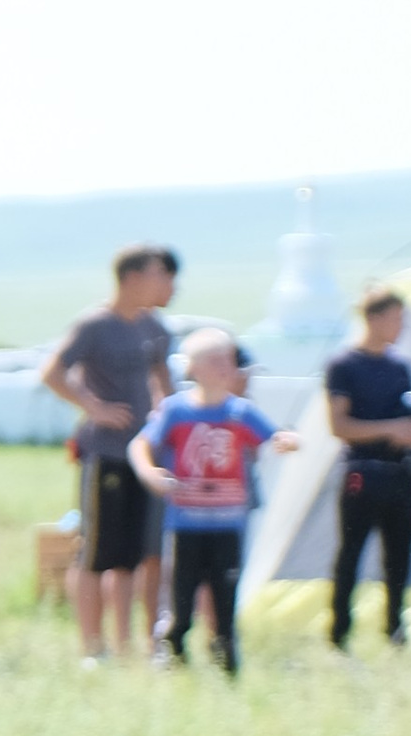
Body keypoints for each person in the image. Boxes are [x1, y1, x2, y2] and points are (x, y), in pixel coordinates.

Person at [131, 329, 295, 674]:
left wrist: (287, 440)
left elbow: (273, 435)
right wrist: (150, 472)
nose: (225, 367)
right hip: (185, 524)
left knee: (224, 596)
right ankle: (173, 651)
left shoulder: (240, 412)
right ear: (194, 368)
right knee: (182, 597)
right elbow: (141, 444)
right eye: (215, 360)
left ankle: (226, 660)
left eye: (228, 360)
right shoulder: (176, 411)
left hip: (228, 524)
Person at [44, 248, 177, 663]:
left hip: (146, 455)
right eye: (159, 274)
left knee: (134, 556)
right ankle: (92, 648)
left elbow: (164, 380)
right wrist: (94, 407)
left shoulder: (154, 327)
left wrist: (169, 421)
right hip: (106, 453)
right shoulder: (94, 325)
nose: (167, 283)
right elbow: (53, 372)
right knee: (97, 552)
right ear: (132, 277)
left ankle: (127, 645)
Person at [324, 288, 411, 651]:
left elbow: (409, 412)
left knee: (399, 556)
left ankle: (395, 628)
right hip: (362, 471)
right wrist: (389, 429)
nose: (401, 326)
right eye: (396, 318)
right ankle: (340, 630)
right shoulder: (344, 365)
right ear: (374, 318)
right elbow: (339, 425)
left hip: (401, 472)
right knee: (351, 552)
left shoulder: (400, 367)